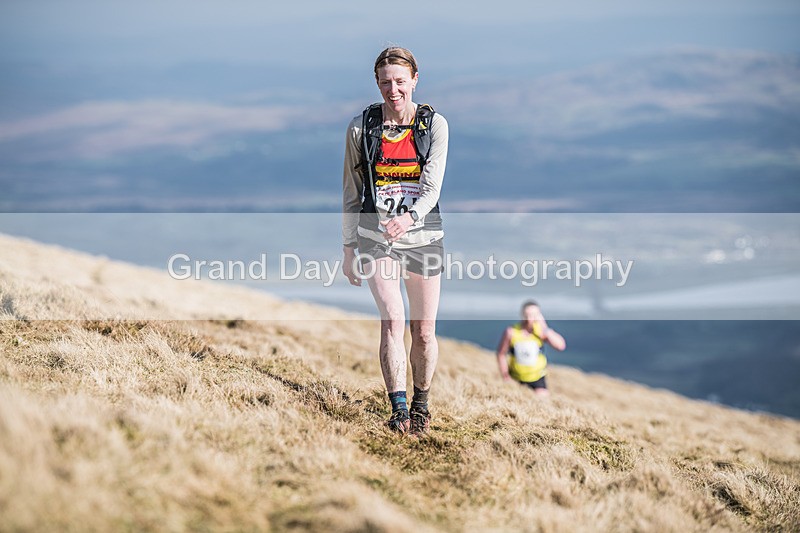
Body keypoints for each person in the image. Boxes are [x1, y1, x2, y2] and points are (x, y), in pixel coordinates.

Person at [341, 47, 449, 436]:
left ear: (415, 79)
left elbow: (433, 187)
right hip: (376, 237)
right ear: (377, 83)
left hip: (423, 237)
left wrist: (409, 217)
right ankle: (398, 409)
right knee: (393, 318)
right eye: (386, 82)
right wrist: (348, 246)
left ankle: (422, 404)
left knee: (423, 330)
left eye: (400, 81)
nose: (393, 89)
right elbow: (351, 192)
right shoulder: (361, 127)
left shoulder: (433, 125)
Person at [496, 300, 566, 397]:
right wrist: (505, 376)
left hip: (538, 379)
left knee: (542, 404)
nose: (529, 319)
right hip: (516, 378)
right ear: (522, 314)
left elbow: (560, 346)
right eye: (527, 315)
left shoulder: (541, 332)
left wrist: (545, 327)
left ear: (539, 315)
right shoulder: (511, 332)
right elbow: (501, 354)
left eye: (533, 315)